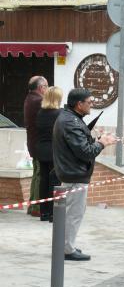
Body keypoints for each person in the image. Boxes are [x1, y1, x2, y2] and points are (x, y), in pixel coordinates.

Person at [52, 88, 117, 261]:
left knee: (73, 213)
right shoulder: (71, 121)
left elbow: (80, 145)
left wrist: (96, 138)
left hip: (72, 172)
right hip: (74, 173)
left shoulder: (71, 118)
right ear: (79, 104)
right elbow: (85, 152)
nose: (92, 105)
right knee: (74, 214)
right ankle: (66, 249)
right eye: (89, 102)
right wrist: (102, 143)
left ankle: (66, 245)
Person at [35, 86, 63, 222]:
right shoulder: (59, 113)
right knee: (54, 181)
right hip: (54, 151)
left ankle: (44, 213)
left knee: (43, 180)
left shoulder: (40, 112)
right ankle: (53, 213)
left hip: (41, 150)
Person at [24, 75, 48, 217]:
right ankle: (36, 207)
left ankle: (32, 204)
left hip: (33, 143)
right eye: (46, 87)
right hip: (40, 144)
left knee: (36, 174)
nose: (47, 89)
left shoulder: (29, 98)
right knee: (39, 175)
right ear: (41, 88)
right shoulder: (39, 100)